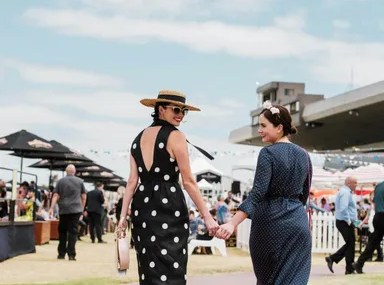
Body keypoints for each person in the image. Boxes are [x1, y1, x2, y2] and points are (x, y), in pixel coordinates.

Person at [116, 90, 219, 284]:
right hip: (168, 205)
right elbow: (188, 181)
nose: (180, 114)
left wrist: (123, 216)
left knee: (148, 266)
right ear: (161, 109)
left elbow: (131, 182)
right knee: (172, 265)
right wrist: (207, 216)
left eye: (184, 111)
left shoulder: (137, 138)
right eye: (176, 109)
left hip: (142, 206)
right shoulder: (176, 136)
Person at [216, 101, 312, 285]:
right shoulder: (304, 155)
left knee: (268, 280)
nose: (259, 130)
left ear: (279, 127)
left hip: (270, 225)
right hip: (298, 225)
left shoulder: (268, 153)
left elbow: (258, 192)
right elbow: (304, 194)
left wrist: (232, 223)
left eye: (263, 125)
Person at [49, 164, 87, 261]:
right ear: (74, 172)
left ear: (66, 171)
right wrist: (82, 209)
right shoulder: (80, 181)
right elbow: (83, 196)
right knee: (73, 232)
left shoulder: (60, 181)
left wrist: (52, 208)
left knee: (62, 231)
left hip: (63, 209)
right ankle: (71, 254)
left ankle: (61, 254)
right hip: (76, 209)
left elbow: (55, 195)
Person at [325, 176, 358, 275]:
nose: (356, 184)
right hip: (344, 222)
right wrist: (349, 221)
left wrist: (355, 222)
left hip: (344, 222)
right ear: (349, 183)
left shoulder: (346, 192)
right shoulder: (345, 192)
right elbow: (344, 208)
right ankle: (348, 268)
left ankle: (338, 262)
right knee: (350, 244)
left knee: (350, 244)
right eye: (355, 182)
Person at [353, 181, 384, 273]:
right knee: (374, 242)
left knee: (373, 242)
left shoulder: (378, 186)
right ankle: (359, 264)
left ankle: (359, 263)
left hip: (378, 216)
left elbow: (374, 203)